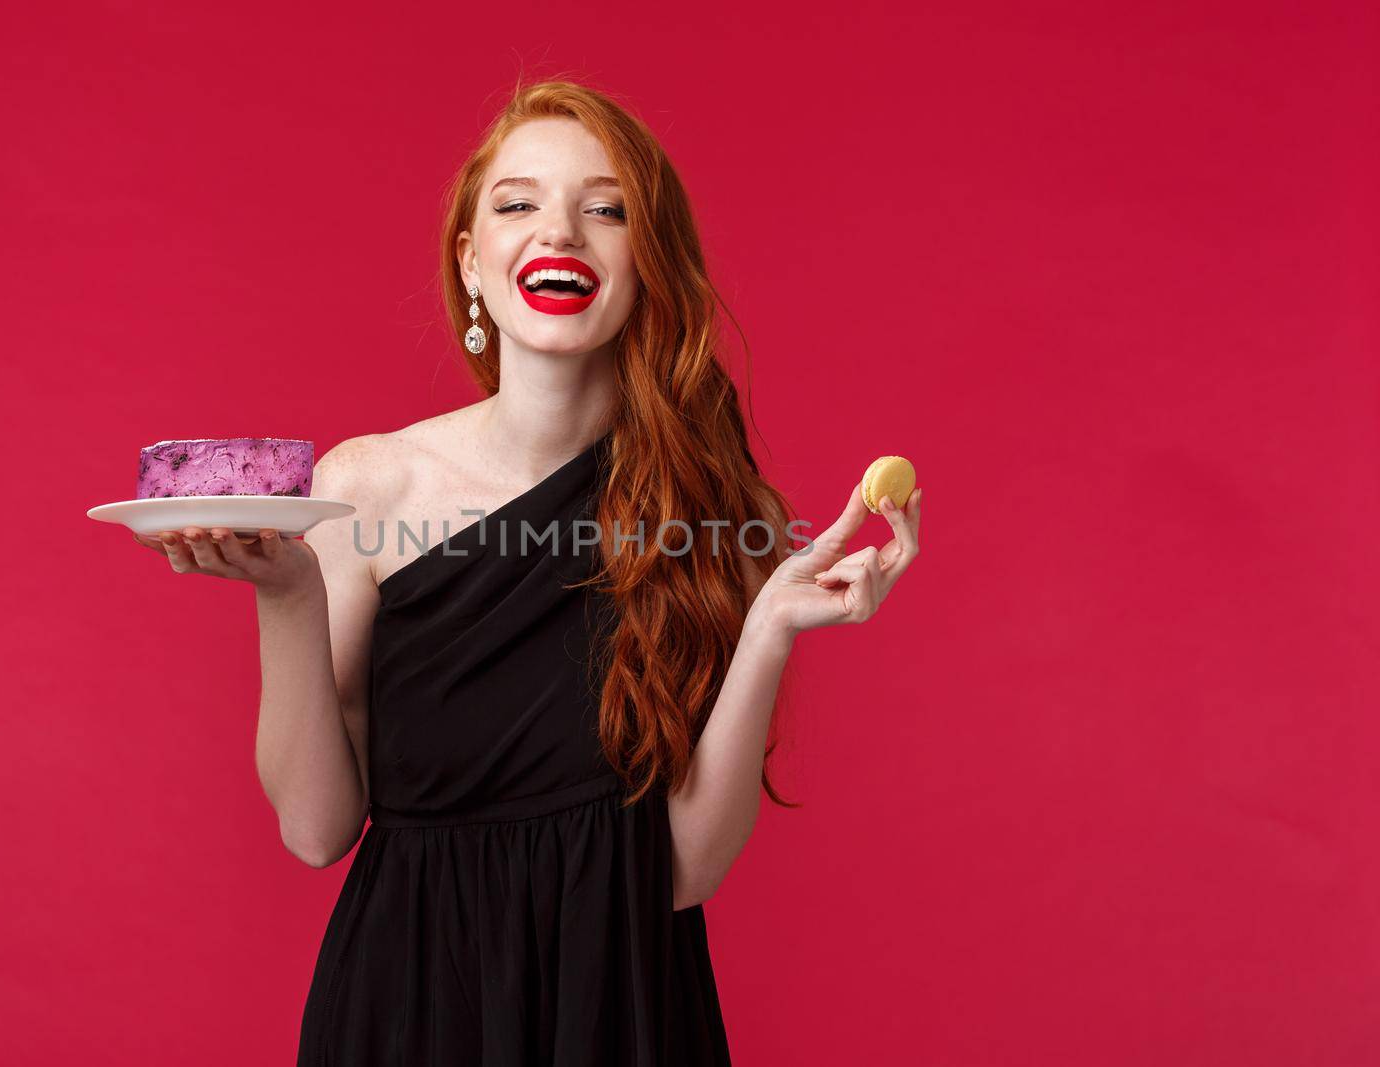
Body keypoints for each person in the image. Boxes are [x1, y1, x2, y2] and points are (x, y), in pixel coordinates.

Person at [133, 78, 923, 1067]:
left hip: (626, 1006)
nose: (561, 231)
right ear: (471, 260)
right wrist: (286, 594)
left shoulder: (723, 513)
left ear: (646, 263)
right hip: (407, 1002)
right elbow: (315, 829)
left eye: (605, 208)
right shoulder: (367, 483)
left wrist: (767, 627)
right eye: (517, 204)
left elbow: (682, 869)